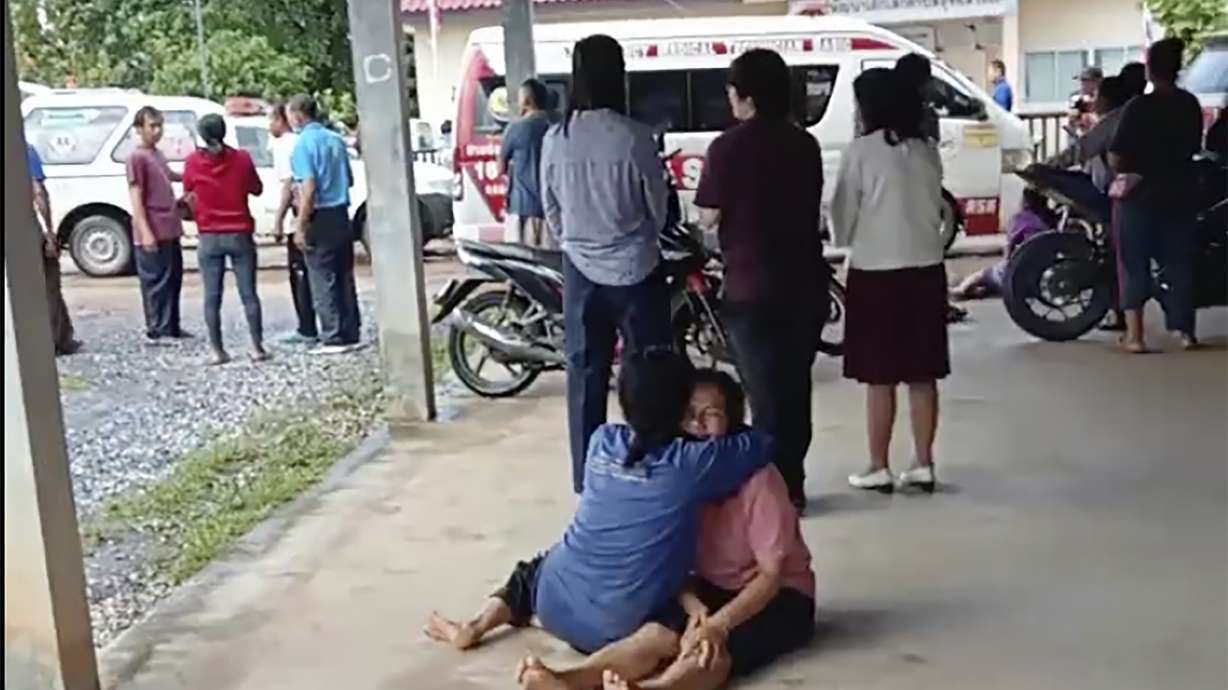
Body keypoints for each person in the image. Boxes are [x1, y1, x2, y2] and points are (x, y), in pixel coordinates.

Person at [423, 352, 771, 690]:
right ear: (679, 410)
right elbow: (762, 443)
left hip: (552, 601)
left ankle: (475, 626)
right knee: (675, 627)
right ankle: (577, 679)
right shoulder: (693, 465)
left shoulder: (602, 440)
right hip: (618, 626)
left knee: (531, 572)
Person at [693, 48, 827, 511]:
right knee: (794, 387)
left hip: (751, 288)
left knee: (763, 393)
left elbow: (708, 217)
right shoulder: (803, 144)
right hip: (806, 284)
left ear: (744, 95)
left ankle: (773, 492)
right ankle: (792, 481)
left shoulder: (726, 148)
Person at [541, 35, 674, 494]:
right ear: (618, 75)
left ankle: (588, 478)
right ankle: (653, 463)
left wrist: (579, 242)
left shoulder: (557, 137)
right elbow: (657, 208)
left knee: (584, 372)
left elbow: (550, 208)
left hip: (580, 269)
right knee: (650, 370)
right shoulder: (634, 136)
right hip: (638, 267)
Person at [831, 68, 948, 494]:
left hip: (876, 273)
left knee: (879, 376)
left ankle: (878, 465)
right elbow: (936, 209)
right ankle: (923, 462)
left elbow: (841, 218)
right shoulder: (927, 149)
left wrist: (847, 236)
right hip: (926, 269)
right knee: (922, 373)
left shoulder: (861, 151)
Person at [1108, 38, 1204, 353]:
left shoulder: (1138, 107)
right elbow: (1193, 147)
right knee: (1179, 263)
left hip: (1140, 196)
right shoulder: (1189, 104)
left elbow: (1117, 156)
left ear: (1150, 70)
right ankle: (1185, 333)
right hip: (1181, 192)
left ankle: (1135, 336)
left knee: (1132, 262)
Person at [182, 114, 266, 365]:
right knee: (249, 294)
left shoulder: (193, 162)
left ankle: (217, 351)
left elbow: (187, 191)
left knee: (212, 296)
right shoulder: (241, 159)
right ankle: (256, 348)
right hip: (239, 233)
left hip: (209, 236)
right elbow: (257, 188)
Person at [287, 93, 361, 355]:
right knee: (344, 275)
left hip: (319, 216)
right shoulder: (336, 140)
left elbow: (308, 187)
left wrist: (300, 225)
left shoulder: (302, 146)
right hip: (341, 213)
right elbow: (349, 179)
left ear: (297, 115)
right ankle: (351, 330)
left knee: (321, 276)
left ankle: (332, 335)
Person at [127, 106, 189, 344]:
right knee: (155, 281)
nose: (157, 131)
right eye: (152, 126)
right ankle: (157, 329)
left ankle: (172, 325)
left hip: (169, 226)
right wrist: (145, 232)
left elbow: (171, 176)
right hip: (152, 227)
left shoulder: (157, 154)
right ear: (139, 129)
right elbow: (136, 195)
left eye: (159, 125)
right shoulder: (136, 158)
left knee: (173, 278)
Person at [267, 101, 317, 344]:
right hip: (307, 216)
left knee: (299, 274)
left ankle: (306, 328)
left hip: (296, 219)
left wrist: (279, 220)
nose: (269, 126)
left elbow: (290, 185)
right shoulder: (297, 142)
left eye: (272, 120)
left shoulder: (285, 145)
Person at [26, 143, 81, 356]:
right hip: (26, 228)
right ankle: (55, 340)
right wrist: (49, 232)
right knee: (49, 284)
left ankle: (62, 336)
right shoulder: (24, 149)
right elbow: (38, 192)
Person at [950, 187, 1053, 301]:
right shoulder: (1047, 219)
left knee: (985, 274)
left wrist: (1007, 261)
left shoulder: (1018, 219)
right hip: (1042, 274)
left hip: (1016, 272)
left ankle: (961, 289)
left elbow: (1009, 248)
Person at [501, 79, 554, 248]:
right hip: (553, 210)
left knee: (524, 262)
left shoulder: (515, 128)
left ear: (527, 101)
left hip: (523, 208)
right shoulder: (557, 126)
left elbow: (500, 167)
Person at [1068, 66, 1104, 137]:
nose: (1083, 84)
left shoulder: (1105, 97)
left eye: (1086, 80)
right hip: (1082, 136)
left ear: (1098, 81)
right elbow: (1072, 120)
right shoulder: (1076, 97)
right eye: (1081, 80)